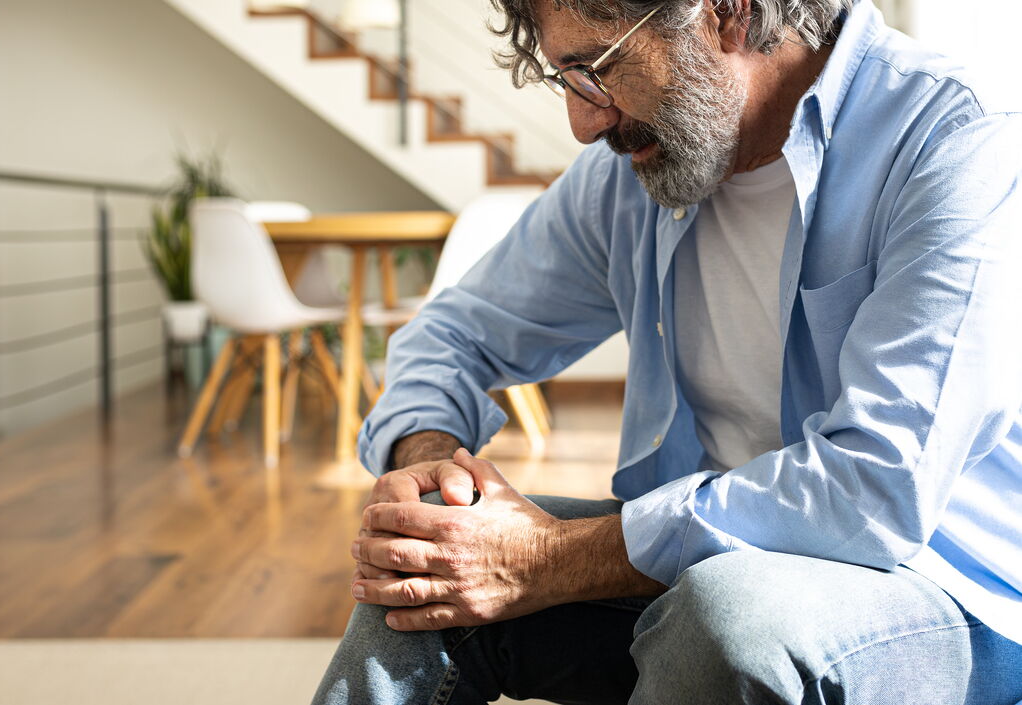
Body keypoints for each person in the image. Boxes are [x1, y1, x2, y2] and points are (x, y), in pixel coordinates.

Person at [312, 0, 1022, 703]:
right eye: (568, 80)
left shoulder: (955, 139)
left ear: (726, 13)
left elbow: (874, 487)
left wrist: (545, 557)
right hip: (707, 573)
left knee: (726, 615)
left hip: (949, 592)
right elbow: (451, 333)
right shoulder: (636, 178)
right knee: (421, 576)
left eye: (596, 69)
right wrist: (433, 473)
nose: (584, 122)